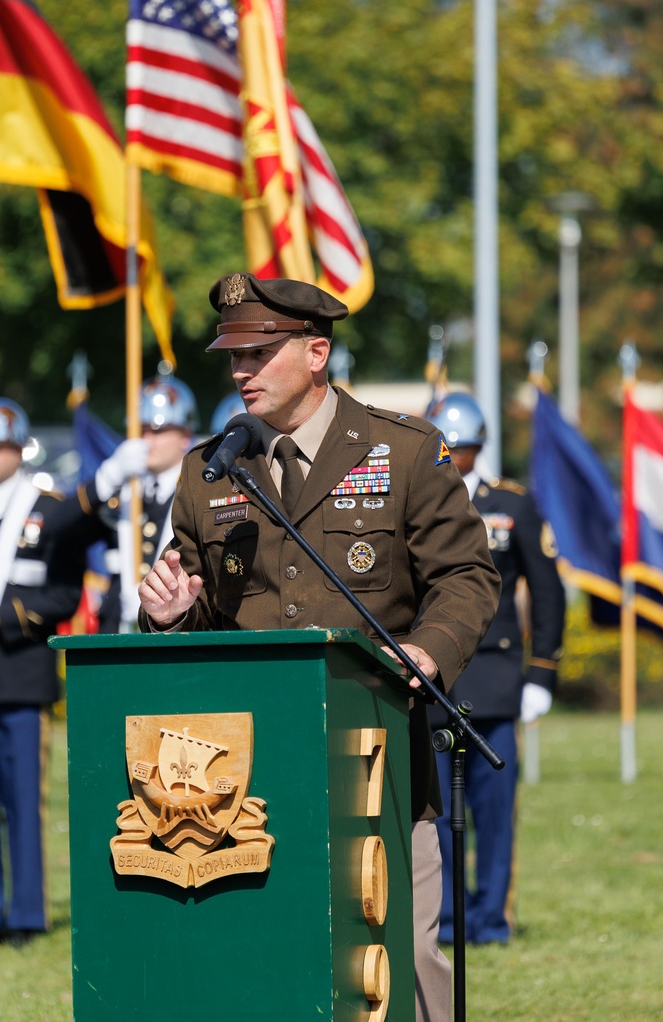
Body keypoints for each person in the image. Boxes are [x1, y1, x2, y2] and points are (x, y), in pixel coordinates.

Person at [137, 273, 501, 1022]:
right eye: (231, 357)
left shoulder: (403, 451)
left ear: (315, 351)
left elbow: (466, 575)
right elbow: (205, 626)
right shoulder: (208, 474)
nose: (240, 372)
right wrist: (173, 618)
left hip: (380, 760)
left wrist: (429, 650)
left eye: (257, 354)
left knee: (404, 958)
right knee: (267, 957)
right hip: (248, 781)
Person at [0, 395, 140, 944]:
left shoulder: (43, 508)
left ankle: (24, 914)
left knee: (22, 801)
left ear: (18, 451)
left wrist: (0, 616)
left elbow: (64, 581)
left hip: (17, 672)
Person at [425, 391, 566, 946]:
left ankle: (489, 921)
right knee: (435, 816)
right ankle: (447, 918)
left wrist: (542, 673)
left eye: (464, 447)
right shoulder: (417, 501)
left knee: (494, 814)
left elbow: (548, 592)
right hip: (437, 680)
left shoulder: (512, 503)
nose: (456, 455)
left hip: (497, 680)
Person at [97, 372, 199, 633]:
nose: (146, 440)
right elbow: (62, 527)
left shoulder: (198, 491)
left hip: (177, 631)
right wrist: (107, 477)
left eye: (158, 430)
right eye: (140, 430)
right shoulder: (120, 489)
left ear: (185, 436)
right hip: (116, 627)